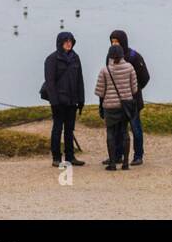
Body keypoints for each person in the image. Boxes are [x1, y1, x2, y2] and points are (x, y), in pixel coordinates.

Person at [42, 31, 86, 168]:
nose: (68, 43)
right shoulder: (51, 59)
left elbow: (80, 80)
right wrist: (54, 102)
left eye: (70, 41)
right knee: (57, 129)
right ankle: (56, 157)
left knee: (69, 129)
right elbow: (50, 82)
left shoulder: (75, 58)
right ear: (60, 43)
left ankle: (70, 156)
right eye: (66, 41)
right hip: (59, 101)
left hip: (72, 100)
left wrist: (81, 99)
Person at [95, 44, 139, 171]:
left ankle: (113, 163)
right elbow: (134, 89)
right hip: (125, 105)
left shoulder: (105, 70)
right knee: (125, 132)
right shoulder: (130, 67)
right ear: (122, 55)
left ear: (110, 55)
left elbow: (100, 92)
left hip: (110, 106)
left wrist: (101, 107)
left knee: (111, 133)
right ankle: (125, 163)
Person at [108, 30, 150, 166]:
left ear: (123, 41)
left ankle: (138, 156)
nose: (114, 44)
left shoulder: (134, 57)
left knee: (135, 128)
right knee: (119, 129)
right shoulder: (110, 57)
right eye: (112, 41)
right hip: (116, 100)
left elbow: (145, 77)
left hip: (133, 100)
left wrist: (134, 92)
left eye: (116, 41)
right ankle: (118, 155)